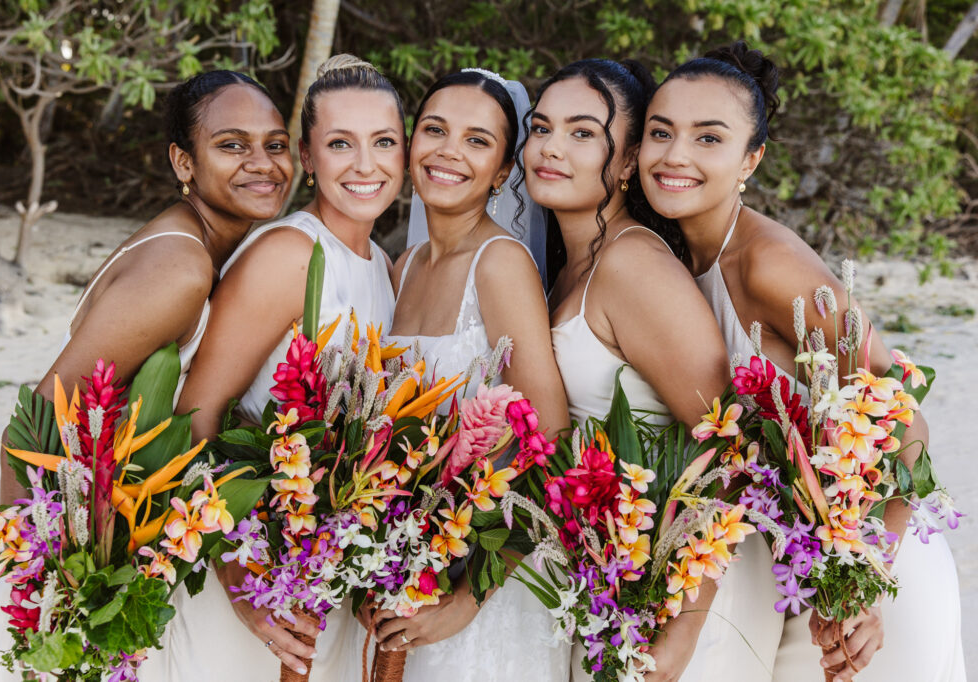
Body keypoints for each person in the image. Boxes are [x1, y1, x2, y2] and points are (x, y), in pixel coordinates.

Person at [637, 41, 965, 682]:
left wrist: (867, 578)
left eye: (709, 139)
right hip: (790, 574)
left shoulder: (768, 265)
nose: (675, 155)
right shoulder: (671, 259)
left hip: (873, 576)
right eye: (660, 132)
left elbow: (906, 419)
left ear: (750, 159)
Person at [0, 70, 292, 682]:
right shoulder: (178, 270)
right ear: (183, 160)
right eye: (232, 145)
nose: (263, 163)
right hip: (82, 570)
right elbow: (32, 428)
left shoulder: (211, 246)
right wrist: (45, 597)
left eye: (275, 144)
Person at [526, 58, 783, 682]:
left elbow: (733, 449)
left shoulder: (632, 265)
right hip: (623, 578)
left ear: (626, 158)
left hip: (690, 598)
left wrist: (685, 630)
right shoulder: (571, 266)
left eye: (582, 132)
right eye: (540, 128)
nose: (551, 148)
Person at [165, 55, 406, 682]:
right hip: (251, 568)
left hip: (322, 574)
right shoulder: (289, 252)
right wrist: (242, 582)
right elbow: (195, 414)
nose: (365, 165)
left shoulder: (384, 267)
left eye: (384, 142)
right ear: (306, 154)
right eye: (339, 144)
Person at [368, 68, 572, 682]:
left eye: (478, 141)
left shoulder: (500, 264)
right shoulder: (402, 269)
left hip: (486, 584)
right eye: (435, 130)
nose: (449, 151)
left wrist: (469, 598)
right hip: (408, 569)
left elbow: (551, 438)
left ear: (505, 172)